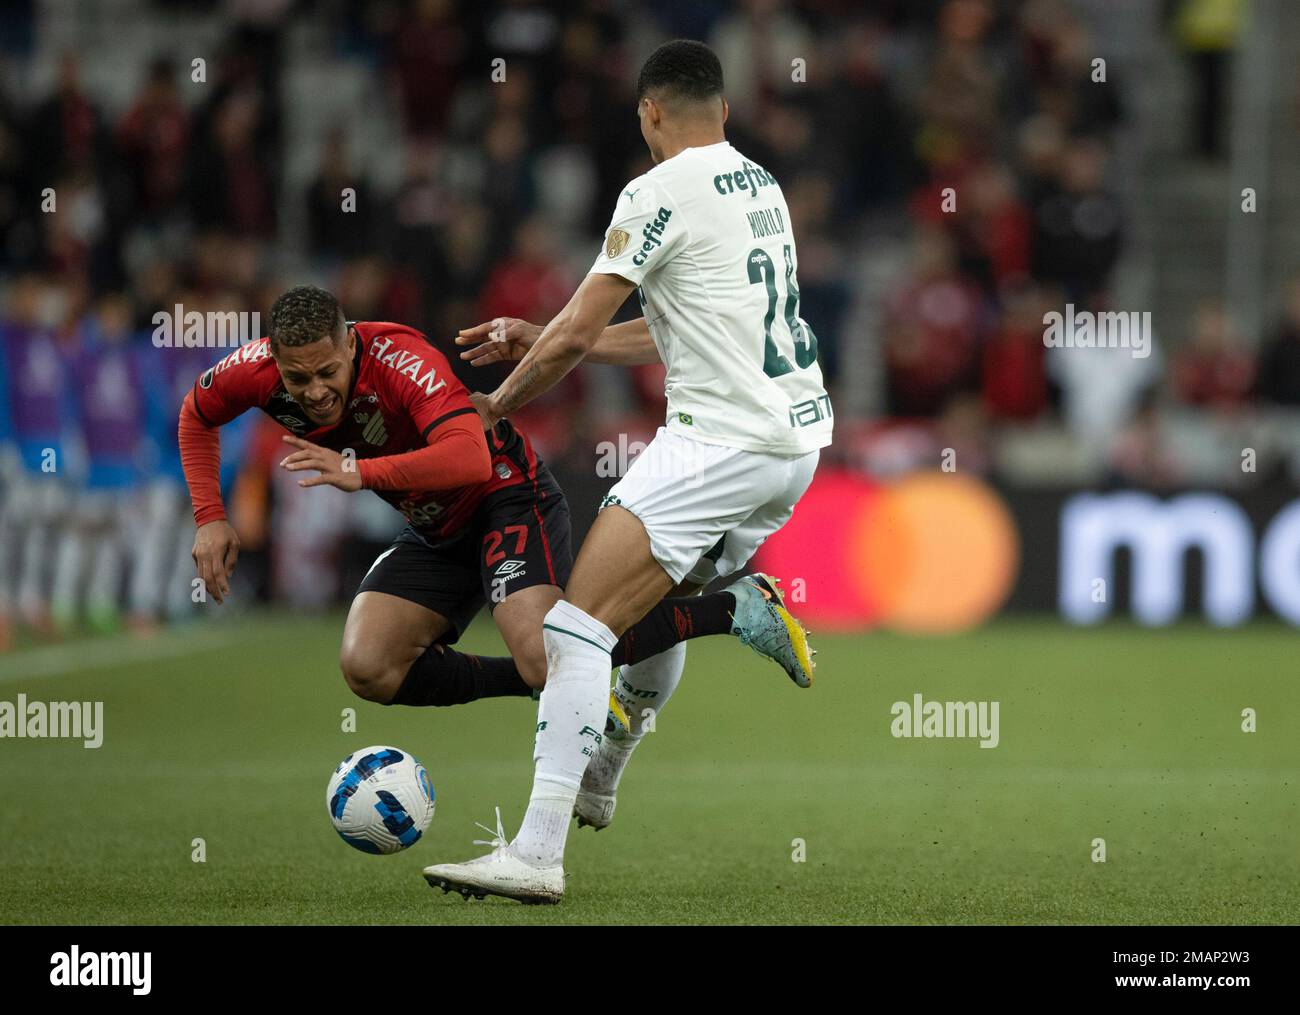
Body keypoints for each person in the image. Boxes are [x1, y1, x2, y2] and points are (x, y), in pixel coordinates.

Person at [424, 39, 831, 904]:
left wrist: (495, 403)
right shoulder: (760, 185)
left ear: (649, 112)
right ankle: (605, 771)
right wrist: (547, 336)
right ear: (722, 111)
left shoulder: (653, 191)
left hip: (718, 442)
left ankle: (535, 854)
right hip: (793, 445)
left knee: (576, 629)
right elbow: (669, 329)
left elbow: (580, 331)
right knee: (662, 606)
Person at [178, 285, 808, 720]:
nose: (315, 392)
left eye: (327, 373)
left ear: (350, 348)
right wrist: (210, 518)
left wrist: (358, 470)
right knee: (368, 667)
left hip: (503, 497)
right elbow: (196, 415)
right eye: (298, 379)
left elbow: (469, 457)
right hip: (435, 526)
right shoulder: (252, 370)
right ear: (275, 363)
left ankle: (738, 609)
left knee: (545, 654)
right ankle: (554, 686)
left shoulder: (402, 362)